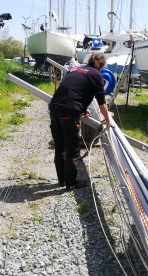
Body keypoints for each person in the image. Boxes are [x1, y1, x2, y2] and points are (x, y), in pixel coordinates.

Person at [49, 53, 115, 191]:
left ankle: (61, 180)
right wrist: (108, 120)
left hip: (55, 107)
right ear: (101, 67)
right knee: (72, 149)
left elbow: (72, 90)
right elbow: (101, 102)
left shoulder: (74, 69)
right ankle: (71, 183)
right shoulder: (97, 75)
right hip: (68, 111)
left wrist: (79, 110)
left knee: (60, 146)